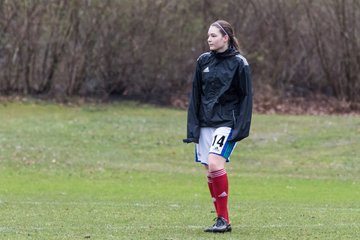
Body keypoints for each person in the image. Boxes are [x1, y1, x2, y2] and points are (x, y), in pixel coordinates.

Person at [183, 20, 252, 233]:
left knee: (215, 164)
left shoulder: (240, 63)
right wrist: (193, 127)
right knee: (208, 170)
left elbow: (246, 97)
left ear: (226, 38)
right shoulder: (203, 61)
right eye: (208, 36)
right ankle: (222, 220)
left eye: (213, 36)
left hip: (226, 123)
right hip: (205, 122)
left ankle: (224, 219)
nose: (209, 39)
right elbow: (196, 95)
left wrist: (241, 128)